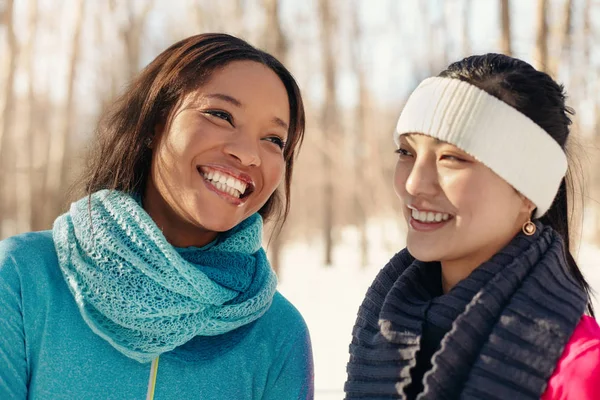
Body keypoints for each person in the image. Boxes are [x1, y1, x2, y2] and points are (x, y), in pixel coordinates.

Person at [0, 33, 313, 399]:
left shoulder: (278, 334)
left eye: (274, 139)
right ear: (154, 123)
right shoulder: (25, 277)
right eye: (221, 115)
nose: (248, 154)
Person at [344, 53, 600, 399]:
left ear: (528, 192)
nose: (414, 184)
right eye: (406, 153)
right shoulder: (384, 329)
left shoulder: (583, 371)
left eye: (452, 158)